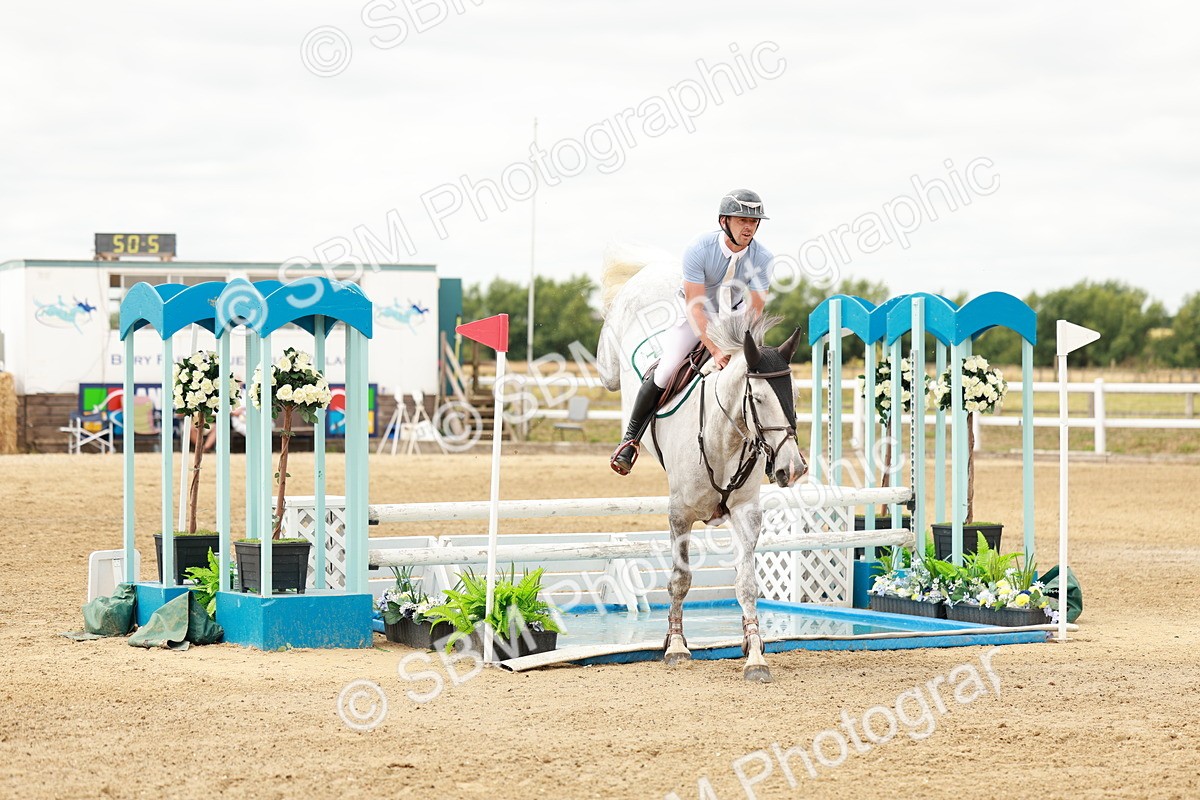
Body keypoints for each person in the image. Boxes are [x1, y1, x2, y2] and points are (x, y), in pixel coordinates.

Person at [610, 189, 774, 475]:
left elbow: (756, 308)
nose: (749, 227)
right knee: (667, 368)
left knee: (759, 375)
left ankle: (772, 452)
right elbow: (696, 308)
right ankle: (631, 440)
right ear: (724, 221)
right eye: (741, 220)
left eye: (754, 221)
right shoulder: (700, 249)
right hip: (693, 315)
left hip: (733, 318)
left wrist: (741, 343)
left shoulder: (762, 257)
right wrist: (714, 349)